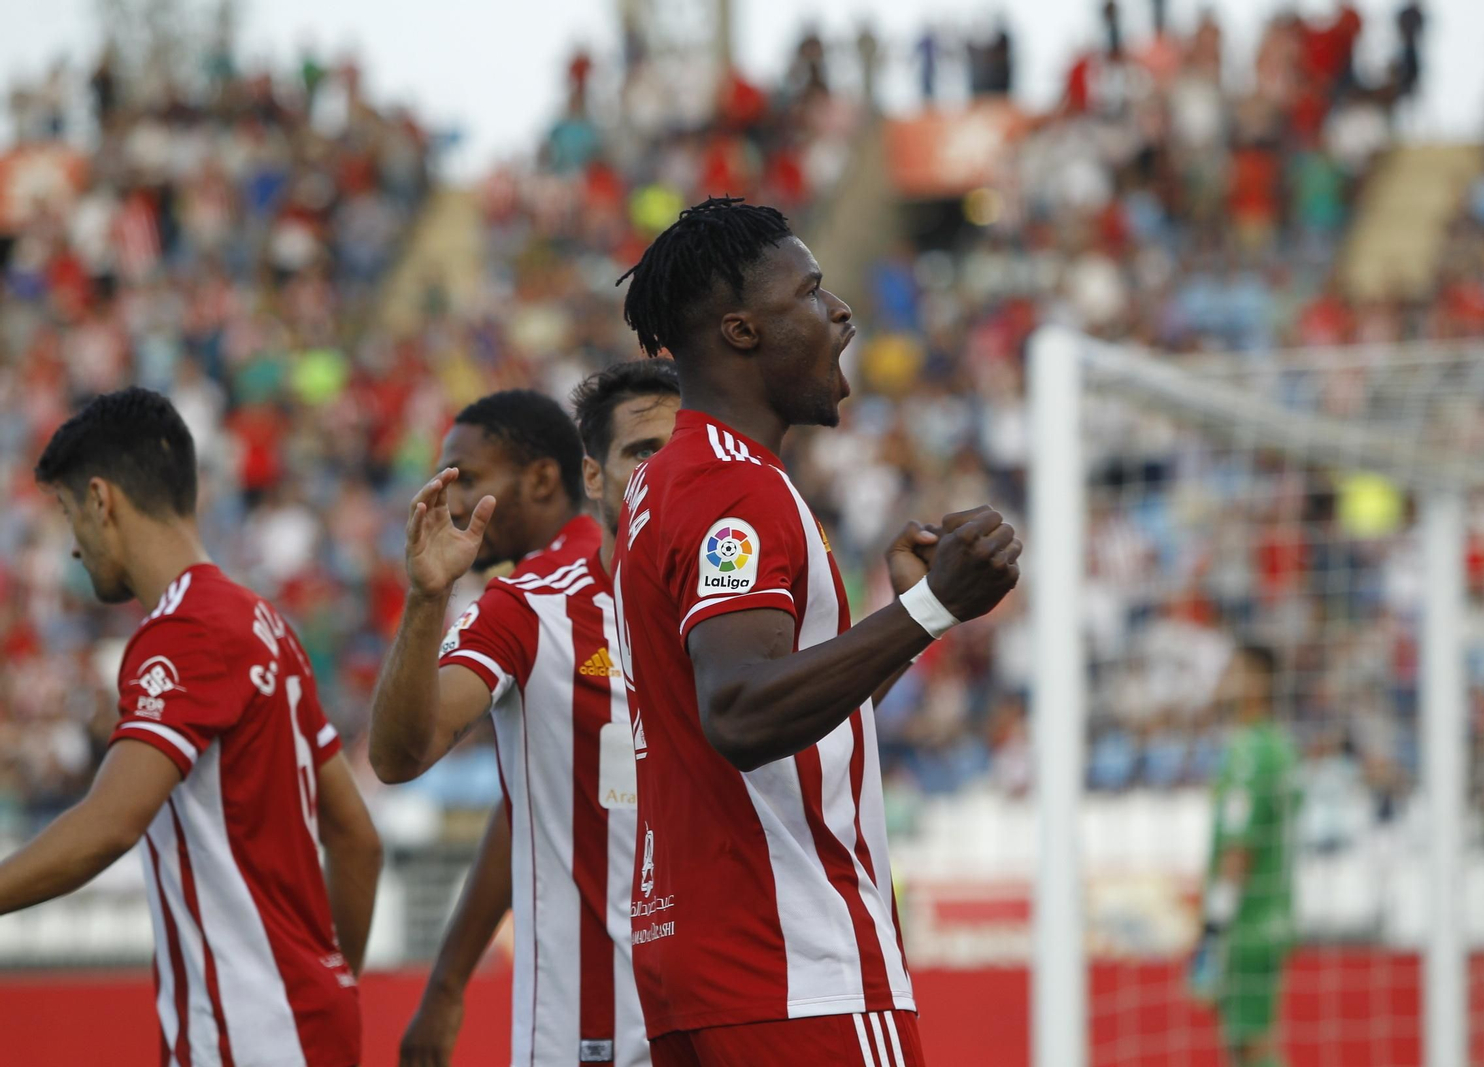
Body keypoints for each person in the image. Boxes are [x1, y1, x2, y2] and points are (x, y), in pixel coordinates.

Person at [611, 196, 1022, 1066]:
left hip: (704, 966)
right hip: (796, 965)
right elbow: (741, 714)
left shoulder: (669, 479)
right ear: (742, 330)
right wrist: (934, 607)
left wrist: (904, 621)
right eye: (811, 292)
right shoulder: (737, 489)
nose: (841, 312)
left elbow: (773, 718)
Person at [8, 387, 380, 1066]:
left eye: (68, 515)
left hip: (248, 1035)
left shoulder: (184, 630)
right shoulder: (263, 623)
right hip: (301, 1028)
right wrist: (330, 985)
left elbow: (110, 823)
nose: (72, 549)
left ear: (101, 499)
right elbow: (356, 837)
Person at [371, 382, 675, 1067]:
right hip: (708, 1012)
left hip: (593, 1024)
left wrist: (428, 598)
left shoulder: (534, 597)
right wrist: (448, 982)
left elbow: (401, 754)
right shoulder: (656, 580)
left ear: (543, 477)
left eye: (469, 477)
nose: (449, 497)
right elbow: (539, 801)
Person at [1190, 643, 1300, 1067]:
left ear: (1258, 682)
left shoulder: (1249, 753)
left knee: (1251, 1045)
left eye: (1232, 671)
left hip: (1248, 922)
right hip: (1276, 913)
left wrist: (1214, 932)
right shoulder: (1279, 745)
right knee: (1245, 1045)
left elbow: (1240, 847)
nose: (1222, 680)